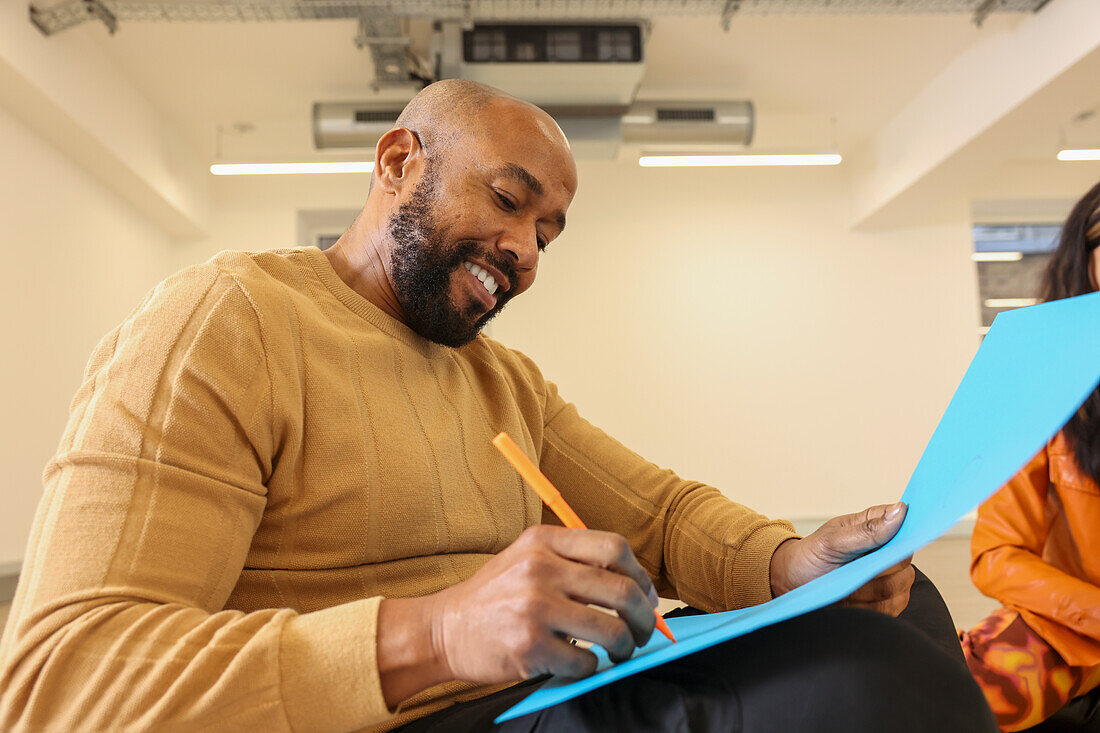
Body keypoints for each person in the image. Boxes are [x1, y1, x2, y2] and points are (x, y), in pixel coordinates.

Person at [0, 80, 994, 732]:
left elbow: (658, 513)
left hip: (529, 693)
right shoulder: (227, 320)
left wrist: (792, 561)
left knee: (903, 614)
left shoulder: (499, 382)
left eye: (547, 233)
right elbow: (60, 680)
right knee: (859, 689)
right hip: (397, 716)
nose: (524, 250)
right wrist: (435, 631)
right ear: (399, 162)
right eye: (509, 200)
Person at [960, 180, 1100, 732]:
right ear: (1085, 263)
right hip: (1067, 629)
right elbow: (995, 553)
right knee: (935, 698)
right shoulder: (1042, 390)